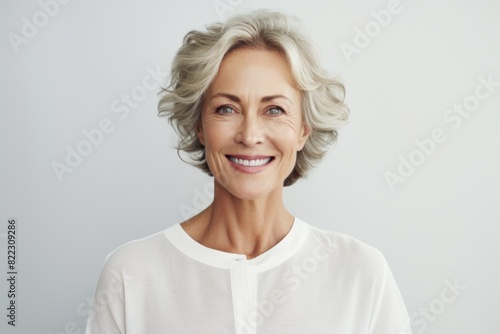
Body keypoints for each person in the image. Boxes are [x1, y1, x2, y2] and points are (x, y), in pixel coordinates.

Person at [85, 9, 412, 334]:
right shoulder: (131, 275)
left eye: (274, 110)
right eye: (227, 108)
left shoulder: (361, 274)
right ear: (200, 126)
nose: (250, 135)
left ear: (303, 129)